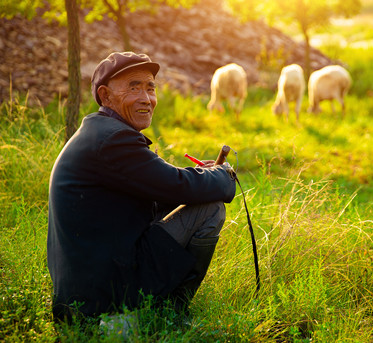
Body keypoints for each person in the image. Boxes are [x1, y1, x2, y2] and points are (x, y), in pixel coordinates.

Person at [47, 51, 236, 322]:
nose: (146, 98)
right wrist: (223, 175)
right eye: (133, 88)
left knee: (196, 198)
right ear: (106, 95)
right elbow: (177, 186)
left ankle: (156, 310)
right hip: (100, 297)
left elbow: (160, 186)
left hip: (87, 287)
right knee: (209, 208)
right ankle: (169, 314)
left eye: (150, 88)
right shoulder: (114, 140)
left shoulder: (101, 133)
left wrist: (201, 176)